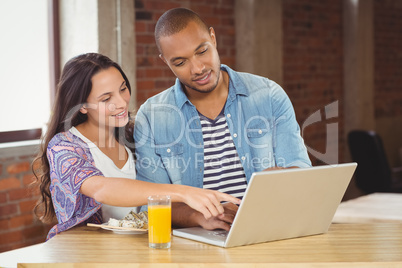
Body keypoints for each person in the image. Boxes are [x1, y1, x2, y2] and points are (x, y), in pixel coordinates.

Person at [133, 8, 312, 231]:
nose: (198, 69)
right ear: (165, 62)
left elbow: (302, 172)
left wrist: (283, 176)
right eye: (180, 63)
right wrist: (199, 215)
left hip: (268, 230)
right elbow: (150, 205)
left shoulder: (268, 95)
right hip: (196, 248)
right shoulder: (151, 116)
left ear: (213, 38)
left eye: (202, 51)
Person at [32, 53, 240, 240]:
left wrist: (199, 218)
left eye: (123, 89)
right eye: (106, 99)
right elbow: (102, 189)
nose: (122, 103)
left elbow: (149, 208)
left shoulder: (135, 134)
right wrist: (184, 192)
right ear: (83, 106)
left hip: (139, 253)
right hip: (89, 256)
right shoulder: (64, 147)